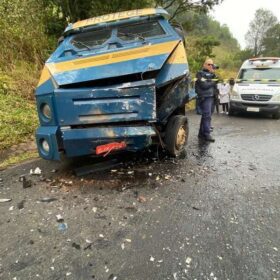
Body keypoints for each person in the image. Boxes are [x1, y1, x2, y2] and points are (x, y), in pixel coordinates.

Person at [195, 58, 218, 142]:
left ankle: (201, 134)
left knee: (206, 116)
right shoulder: (199, 74)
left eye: (212, 64)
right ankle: (207, 134)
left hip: (212, 97)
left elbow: (215, 83)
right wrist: (212, 81)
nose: (210, 66)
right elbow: (204, 86)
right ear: (204, 65)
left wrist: (213, 74)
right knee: (207, 115)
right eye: (208, 64)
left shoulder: (211, 74)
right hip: (204, 97)